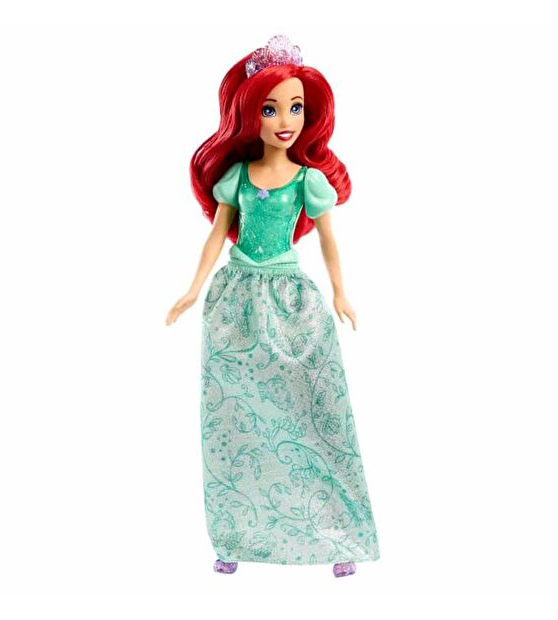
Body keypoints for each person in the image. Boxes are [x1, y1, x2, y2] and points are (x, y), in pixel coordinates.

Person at [166, 34, 380, 578]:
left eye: (295, 107)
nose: (285, 120)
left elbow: (329, 242)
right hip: (235, 301)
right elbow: (216, 238)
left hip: (291, 303)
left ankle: (339, 535)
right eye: (270, 108)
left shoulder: (309, 180)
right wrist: (193, 288)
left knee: (316, 413)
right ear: (248, 116)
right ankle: (236, 536)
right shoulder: (237, 177)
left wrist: (341, 292)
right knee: (234, 419)